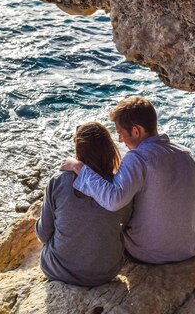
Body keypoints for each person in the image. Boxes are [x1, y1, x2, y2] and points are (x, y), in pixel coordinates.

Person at [61, 96, 195, 264]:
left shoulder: (137, 158)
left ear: (136, 131)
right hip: (188, 248)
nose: (120, 140)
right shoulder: (186, 153)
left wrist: (79, 167)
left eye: (120, 133)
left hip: (149, 253)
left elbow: (113, 200)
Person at [36, 122, 132, 286]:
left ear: (79, 151)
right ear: (109, 149)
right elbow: (125, 224)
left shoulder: (59, 181)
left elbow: (43, 234)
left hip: (60, 271)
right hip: (106, 272)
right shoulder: (119, 187)